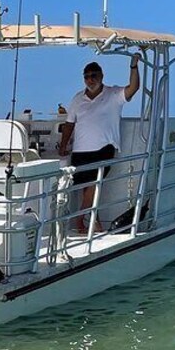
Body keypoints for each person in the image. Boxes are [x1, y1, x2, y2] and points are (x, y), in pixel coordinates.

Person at [59, 55, 140, 232]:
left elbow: (133, 88)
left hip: (104, 148)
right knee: (85, 188)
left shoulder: (113, 94)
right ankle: (93, 222)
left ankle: (81, 219)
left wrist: (133, 66)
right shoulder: (77, 98)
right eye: (86, 76)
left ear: (102, 76)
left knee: (94, 184)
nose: (90, 79)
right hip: (80, 150)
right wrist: (63, 145)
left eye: (94, 75)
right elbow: (69, 124)